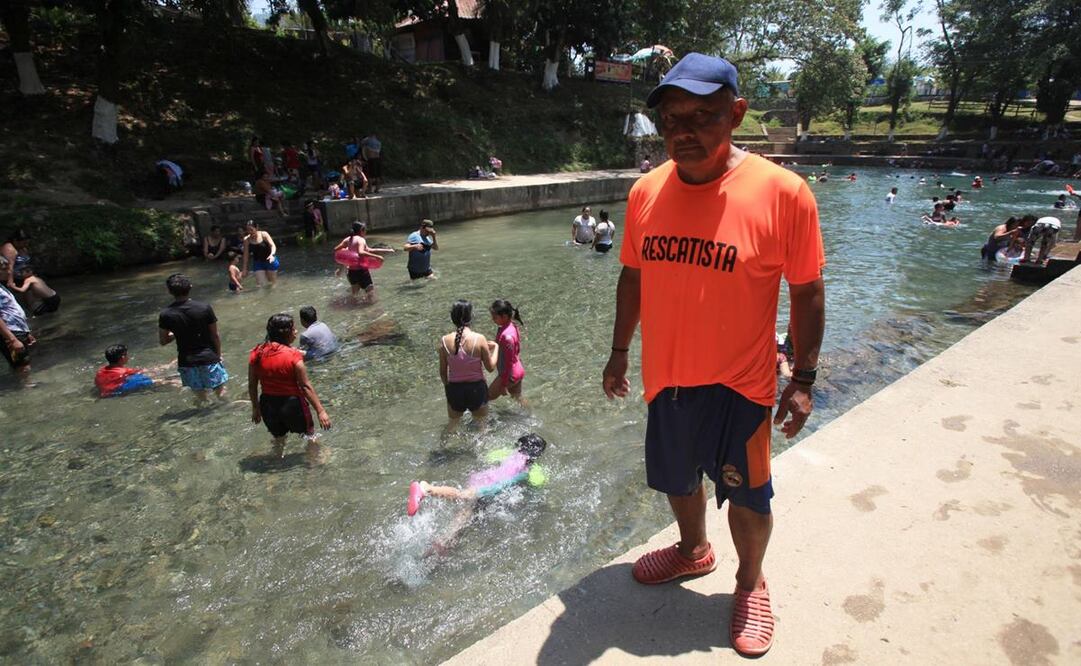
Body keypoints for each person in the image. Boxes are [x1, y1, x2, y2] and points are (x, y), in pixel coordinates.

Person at [601, 53, 825, 657]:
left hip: (744, 386)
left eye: (704, 115)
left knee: (749, 495)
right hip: (667, 376)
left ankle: (749, 584)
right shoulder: (645, 192)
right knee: (678, 479)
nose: (685, 130)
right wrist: (619, 352)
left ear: (738, 114)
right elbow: (632, 278)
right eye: (673, 118)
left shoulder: (784, 194)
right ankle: (692, 550)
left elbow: (806, 291)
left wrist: (802, 378)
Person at [406, 433, 549, 552]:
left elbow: (488, 457)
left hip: (480, 479)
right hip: (491, 489)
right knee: (463, 496)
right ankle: (427, 488)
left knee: (464, 518)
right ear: (537, 454)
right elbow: (537, 485)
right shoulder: (532, 469)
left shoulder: (505, 452)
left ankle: (439, 547)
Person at [248, 313, 332, 460]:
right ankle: (314, 466)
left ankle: (277, 463)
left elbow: (252, 384)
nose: (296, 332)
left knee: (279, 439)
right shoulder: (293, 355)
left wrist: (256, 408)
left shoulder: (256, 353)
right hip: (293, 405)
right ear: (286, 332)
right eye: (293, 329)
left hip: (268, 406)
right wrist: (321, 411)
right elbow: (305, 386)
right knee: (309, 436)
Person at [158, 273, 228, 405]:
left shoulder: (166, 314)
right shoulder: (204, 307)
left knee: (201, 397)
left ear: (169, 291)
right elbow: (215, 335)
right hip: (209, 357)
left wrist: (175, 333)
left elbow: (163, 341)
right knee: (221, 391)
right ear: (190, 287)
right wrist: (218, 355)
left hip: (187, 361)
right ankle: (227, 407)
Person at [439, 300, 498, 425]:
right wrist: (496, 347)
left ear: (452, 318)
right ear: (471, 317)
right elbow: (491, 367)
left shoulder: (444, 341)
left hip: (455, 389)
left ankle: (443, 445)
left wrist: (449, 390)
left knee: (452, 426)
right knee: (481, 427)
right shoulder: (479, 338)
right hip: (476, 388)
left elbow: (443, 373)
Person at [334, 221, 394, 302]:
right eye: (365, 230)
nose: (366, 232)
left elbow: (337, 249)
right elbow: (361, 252)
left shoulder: (348, 239)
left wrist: (387, 250)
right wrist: (377, 257)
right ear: (362, 230)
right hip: (362, 271)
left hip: (351, 272)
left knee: (355, 295)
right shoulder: (361, 240)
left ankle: (353, 310)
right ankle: (371, 311)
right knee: (371, 294)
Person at [94, 344, 177, 398]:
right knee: (158, 380)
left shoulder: (100, 371)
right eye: (126, 354)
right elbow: (147, 371)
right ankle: (177, 383)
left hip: (105, 391)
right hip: (117, 391)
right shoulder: (123, 371)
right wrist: (170, 365)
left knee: (138, 377)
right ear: (123, 358)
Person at [0, 255, 34, 378]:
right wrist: (12, 339)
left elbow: (11, 310)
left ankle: (26, 385)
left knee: (23, 363)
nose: (8, 271)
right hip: (11, 333)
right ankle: (27, 388)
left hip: (18, 331)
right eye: (3, 269)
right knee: (22, 366)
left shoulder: (2, 287)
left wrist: (26, 332)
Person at [488, 299, 525, 404]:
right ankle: (530, 417)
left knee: (485, 398)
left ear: (504, 316)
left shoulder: (506, 336)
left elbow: (508, 363)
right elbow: (516, 350)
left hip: (510, 374)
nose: (492, 319)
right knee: (518, 398)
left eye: (495, 317)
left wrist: (503, 385)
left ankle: (480, 420)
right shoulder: (512, 326)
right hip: (518, 369)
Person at [242, 220, 280, 287]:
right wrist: (244, 269)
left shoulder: (264, 234)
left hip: (270, 261)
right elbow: (246, 255)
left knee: (272, 284)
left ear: (256, 228)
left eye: (251, 230)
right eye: (247, 230)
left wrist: (272, 255)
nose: (249, 232)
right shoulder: (246, 239)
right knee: (261, 285)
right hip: (258, 262)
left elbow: (272, 245)